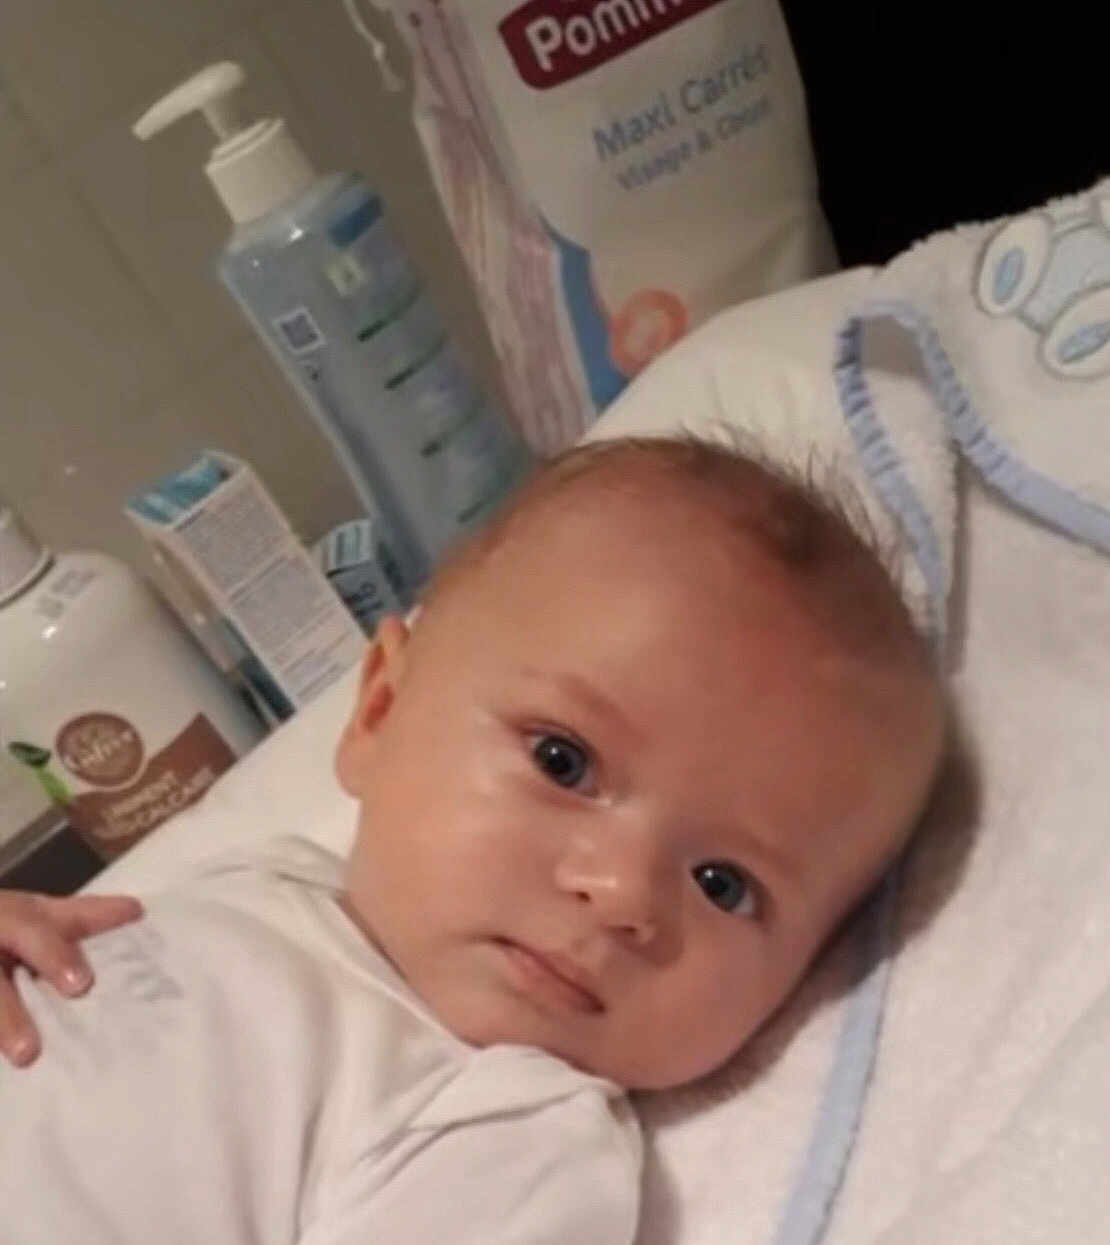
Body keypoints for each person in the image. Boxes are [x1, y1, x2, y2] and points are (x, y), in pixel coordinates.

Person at [0, 436, 945, 1243]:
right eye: (564, 762)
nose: (621, 892)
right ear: (378, 709)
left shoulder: (516, 1128)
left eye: (723, 881)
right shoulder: (258, 882)